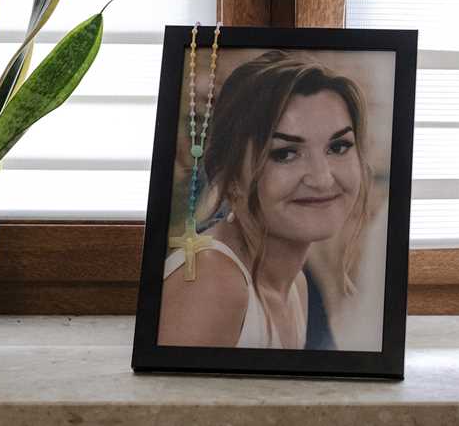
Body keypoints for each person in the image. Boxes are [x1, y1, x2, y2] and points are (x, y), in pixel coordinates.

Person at [159, 50, 372, 349]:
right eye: (284, 153)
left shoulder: (296, 285)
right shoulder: (211, 281)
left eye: (338, 147)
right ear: (230, 178)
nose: (323, 178)